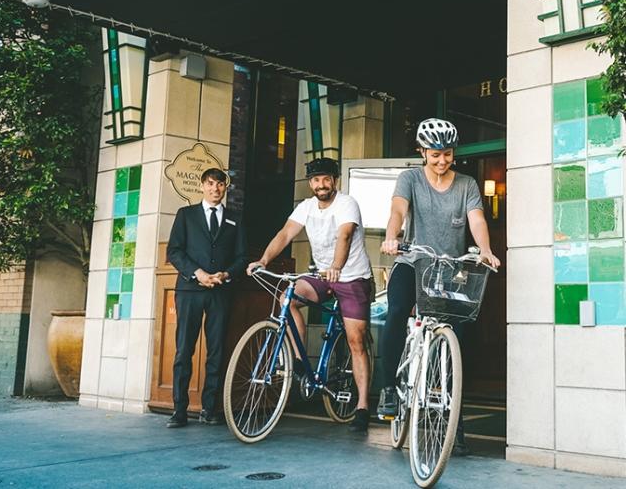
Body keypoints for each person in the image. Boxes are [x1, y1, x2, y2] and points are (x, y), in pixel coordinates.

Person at [377, 118, 501, 455]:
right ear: (422, 152)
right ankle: (389, 387)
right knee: (399, 309)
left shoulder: (467, 184)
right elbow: (397, 210)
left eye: (447, 154)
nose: (442, 161)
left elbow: (477, 218)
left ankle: (454, 423)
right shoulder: (411, 179)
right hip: (413, 262)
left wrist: (485, 250)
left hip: (450, 270)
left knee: (458, 341)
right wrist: (392, 237)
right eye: (435, 155)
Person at [247, 157, 374, 433]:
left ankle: (362, 406)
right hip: (321, 277)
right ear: (310, 184)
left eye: (326, 179)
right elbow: (284, 235)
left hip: (351, 276)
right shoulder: (305, 207)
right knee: (287, 299)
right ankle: (299, 362)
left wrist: (337, 268)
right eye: (316, 180)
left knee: (356, 341)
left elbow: (345, 236)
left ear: (335, 180)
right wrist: (264, 260)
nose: (321, 184)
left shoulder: (346, 204)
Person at [166, 167, 246, 428]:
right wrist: (197, 273)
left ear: (225, 188)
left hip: (221, 292)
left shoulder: (235, 218)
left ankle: (209, 409)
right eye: (210, 184)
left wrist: (226, 274)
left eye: (220, 184)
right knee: (184, 351)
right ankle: (179, 410)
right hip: (190, 290)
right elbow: (174, 252)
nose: (215, 189)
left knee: (217, 351)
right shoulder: (186, 215)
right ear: (202, 186)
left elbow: (242, 257)